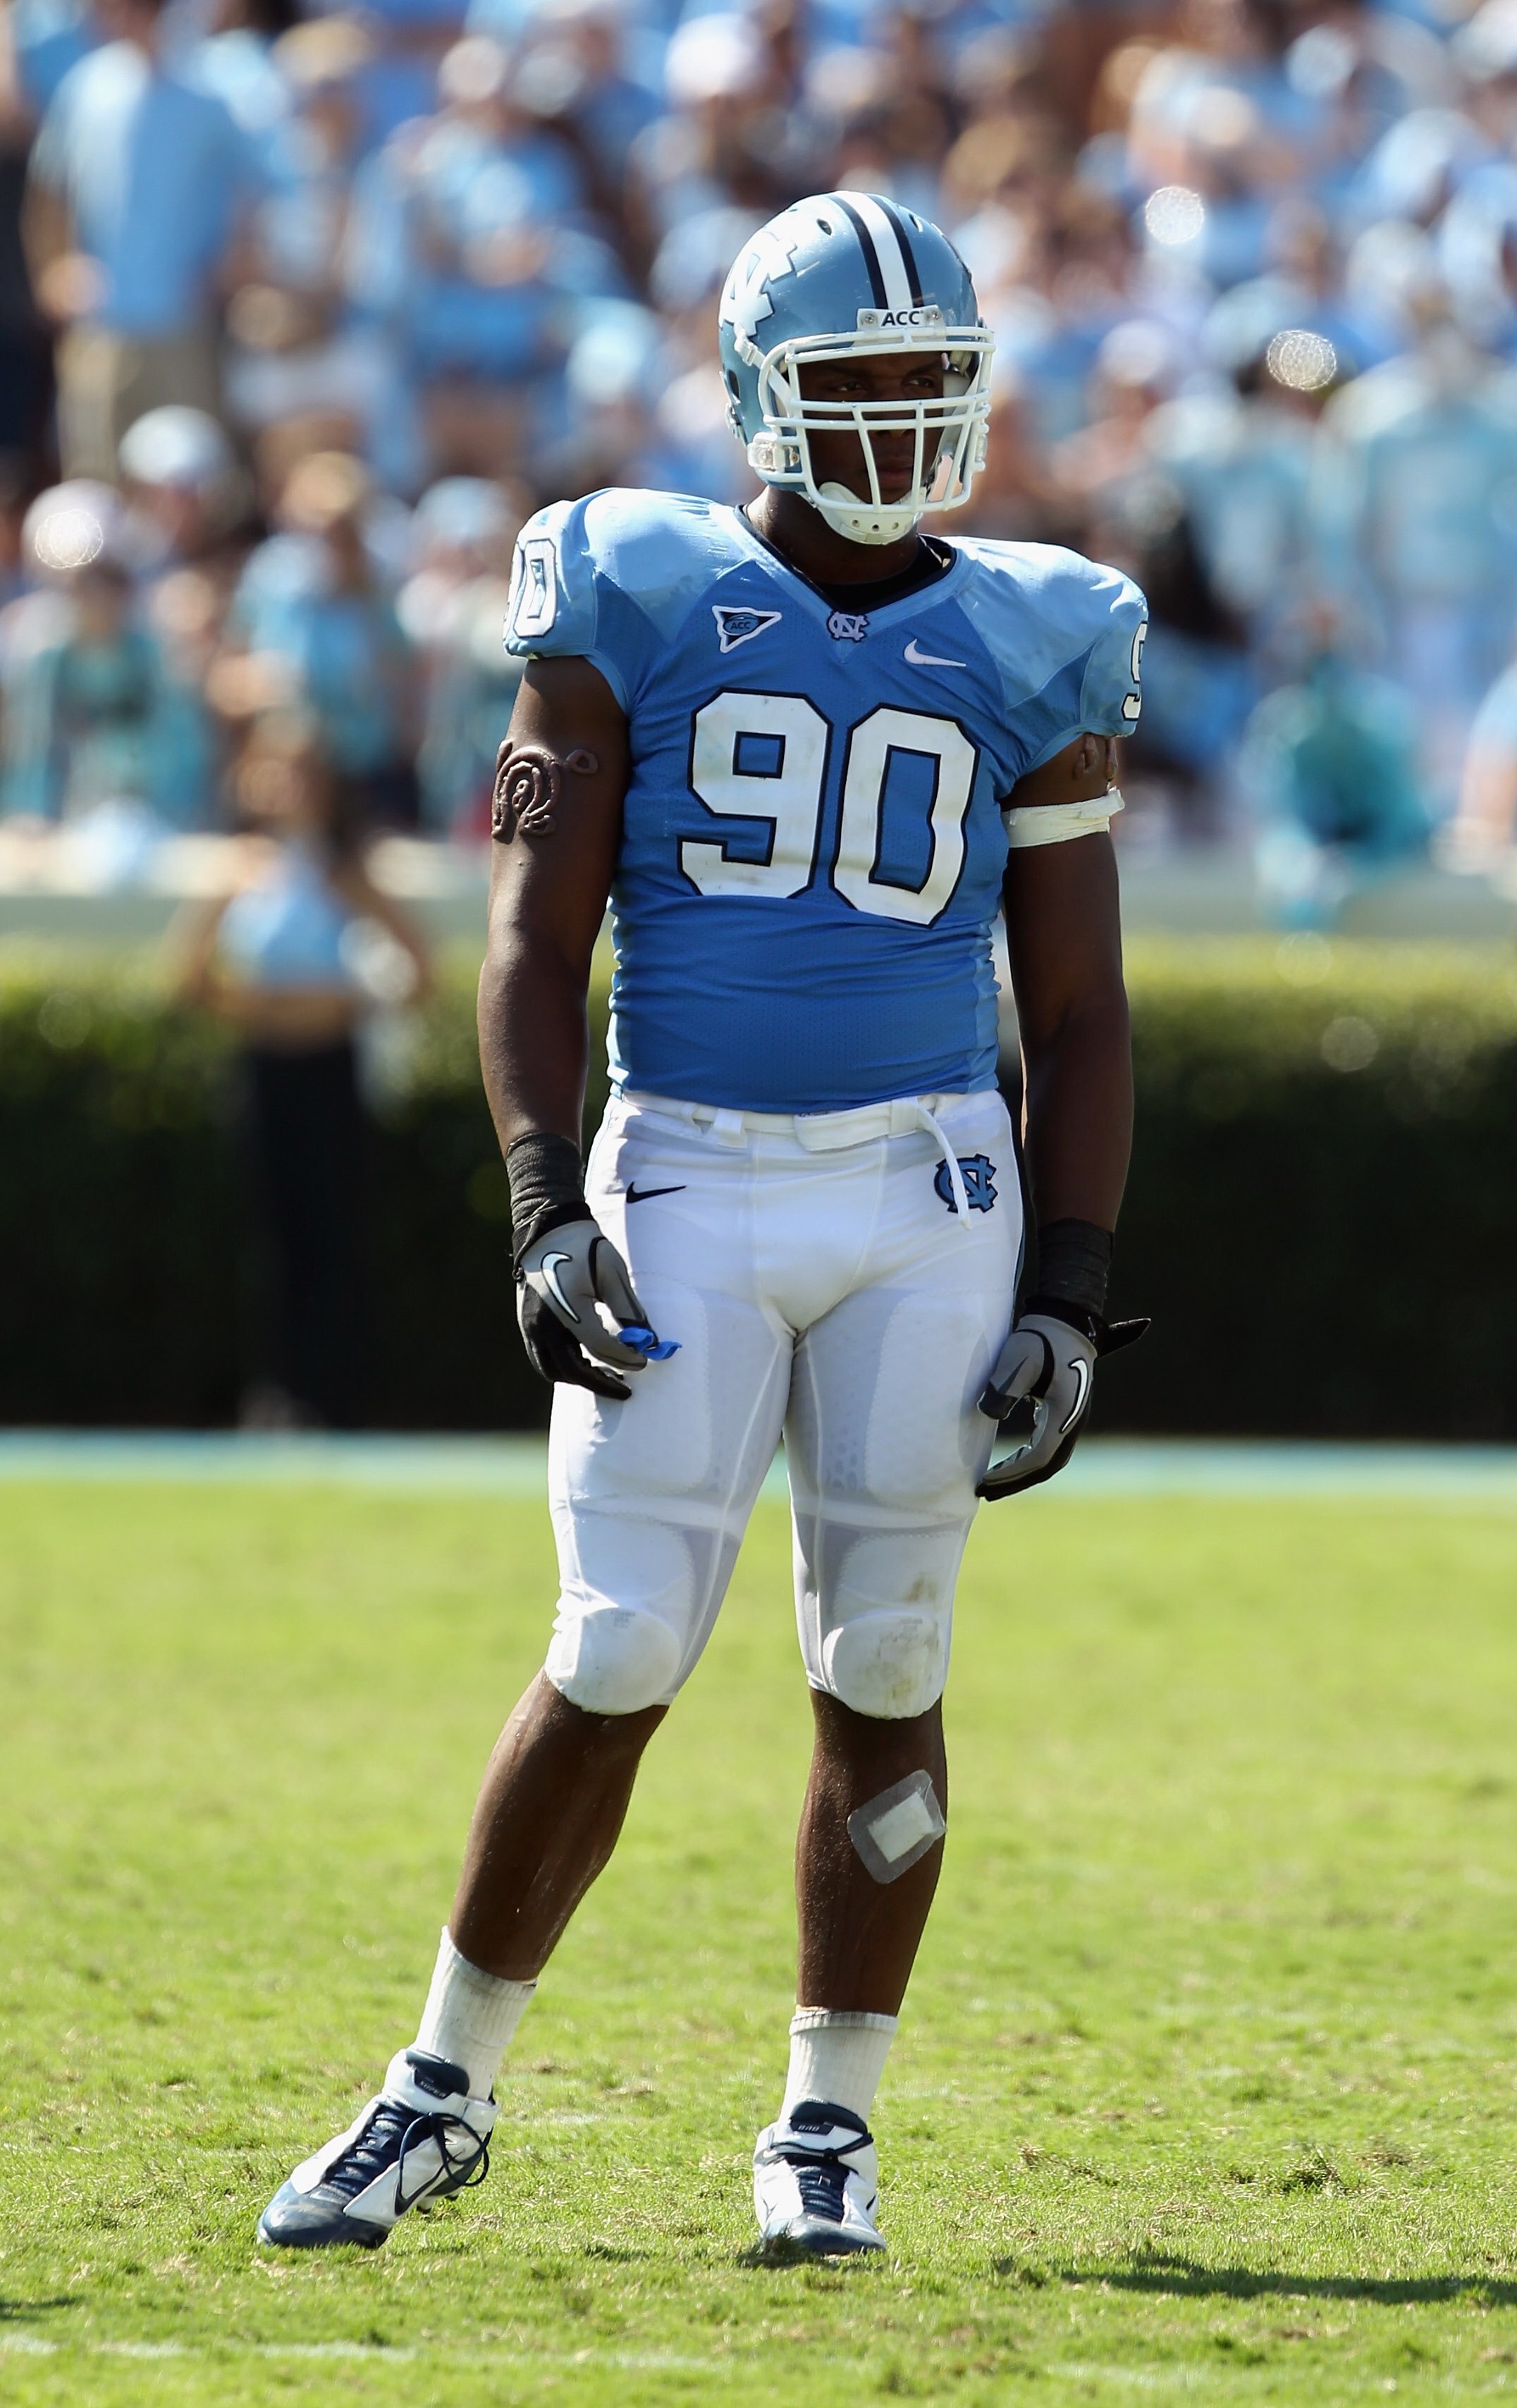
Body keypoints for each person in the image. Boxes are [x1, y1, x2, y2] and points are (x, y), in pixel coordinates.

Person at [259, 192, 1146, 2260]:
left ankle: (828, 2122)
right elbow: (530, 928)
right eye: (859, 390)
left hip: (930, 1181)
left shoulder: (1038, 629)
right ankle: (442, 2083)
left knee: (889, 1658)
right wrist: (544, 1201)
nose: (903, 430)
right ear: (760, 395)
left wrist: (1079, 1288)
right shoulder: (631, 582)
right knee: (618, 1639)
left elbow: (1087, 1005)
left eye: (934, 391)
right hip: (684, 1163)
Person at [171, 708, 431, 1427]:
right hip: (263, 1070)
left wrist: (340, 1003)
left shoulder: (346, 871)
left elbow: (419, 972)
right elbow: (185, 976)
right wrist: (258, 1008)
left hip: (331, 1072)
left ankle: (336, 1392)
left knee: (333, 1233)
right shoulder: (242, 869)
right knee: (274, 1237)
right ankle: (278, 1393)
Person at [23, 0, 259, 480]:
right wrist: (54, 270)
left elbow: (251, 191)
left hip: (186, 325)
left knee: (193, 484)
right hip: (102, 328)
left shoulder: (214, 87)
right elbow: (49, 192)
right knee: (97, 474)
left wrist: (227, 270)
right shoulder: (86, 85)